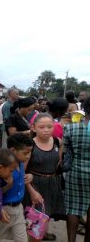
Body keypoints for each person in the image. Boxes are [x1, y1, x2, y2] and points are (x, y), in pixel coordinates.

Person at [24, 113, 65, 241]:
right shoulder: (30, 145)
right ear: (33, 128)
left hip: (52, 185)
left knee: (45, 219)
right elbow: (22, 172)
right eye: (42, 127)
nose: (46, 130)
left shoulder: (58, 142)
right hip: (35, 186)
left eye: (49, 126)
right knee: (35, 229)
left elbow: (58, 165)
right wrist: (31, 192)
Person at [63, 98, 90, 242]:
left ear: (84, 110)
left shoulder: (71, 128)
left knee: (73, 208)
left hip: (76, 171)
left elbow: (65, 151)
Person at [0, 133, 34, 242]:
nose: (28, 156)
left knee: (22, 239)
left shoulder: (21, 162)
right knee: (0, 238)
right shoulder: (2, 168)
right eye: (25, 153)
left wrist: (30, 176)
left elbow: (21, 178)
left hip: (18, 208)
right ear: (13, 151)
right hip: (4, 210)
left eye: (30, 152)